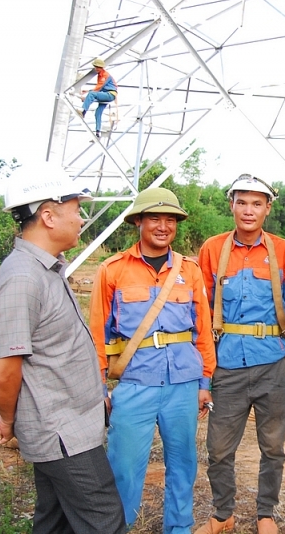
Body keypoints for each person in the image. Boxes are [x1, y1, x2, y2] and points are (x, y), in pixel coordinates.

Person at [0, 162, 125, 533]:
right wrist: (9, 419)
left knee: (56, 522)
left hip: (69, 428)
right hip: (64, 436)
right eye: (77, 209)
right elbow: (2, 372)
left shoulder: (45, 270)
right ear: (48, 215)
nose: (81, 219)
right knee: (105, 523)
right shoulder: (22, 278)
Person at [88, 187, 216, 533]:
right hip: (134, 385)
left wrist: (205, 384)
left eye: (170, 219)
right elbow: (97, 333)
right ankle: (120, 527)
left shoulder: (189, 270)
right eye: (155, 218)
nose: (163, 226)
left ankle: (179, 528)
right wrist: (99, 386)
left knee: (183, 465)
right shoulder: (112, 270)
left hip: (183, 385)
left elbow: (202, 330)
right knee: (124, 467)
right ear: (139, 222)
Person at [197, 174, 285, 534]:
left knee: (272, 448)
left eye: (257, 203)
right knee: (220, 450)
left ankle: (266, 514)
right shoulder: (212, 249)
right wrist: (205, 371)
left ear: (268, 208)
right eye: (241, 202)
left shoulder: (284, 251)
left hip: (272, 363)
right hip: (227, 366)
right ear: (231, 205)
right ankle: (223, 513)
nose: (248, 210)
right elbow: (201, 311)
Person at [81, 57, 117, 138]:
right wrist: (88, 93)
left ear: (101, 67)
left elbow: (99, 87)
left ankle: (83, 112)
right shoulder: (100, 75)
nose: (96, 69)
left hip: (109, 94)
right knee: (98, 112)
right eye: (95, 67)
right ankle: (98, 131)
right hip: (104, 94)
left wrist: (88, 92)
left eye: (97, 67)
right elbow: (99, 87)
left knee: (91, 94)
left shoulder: (105, 75)